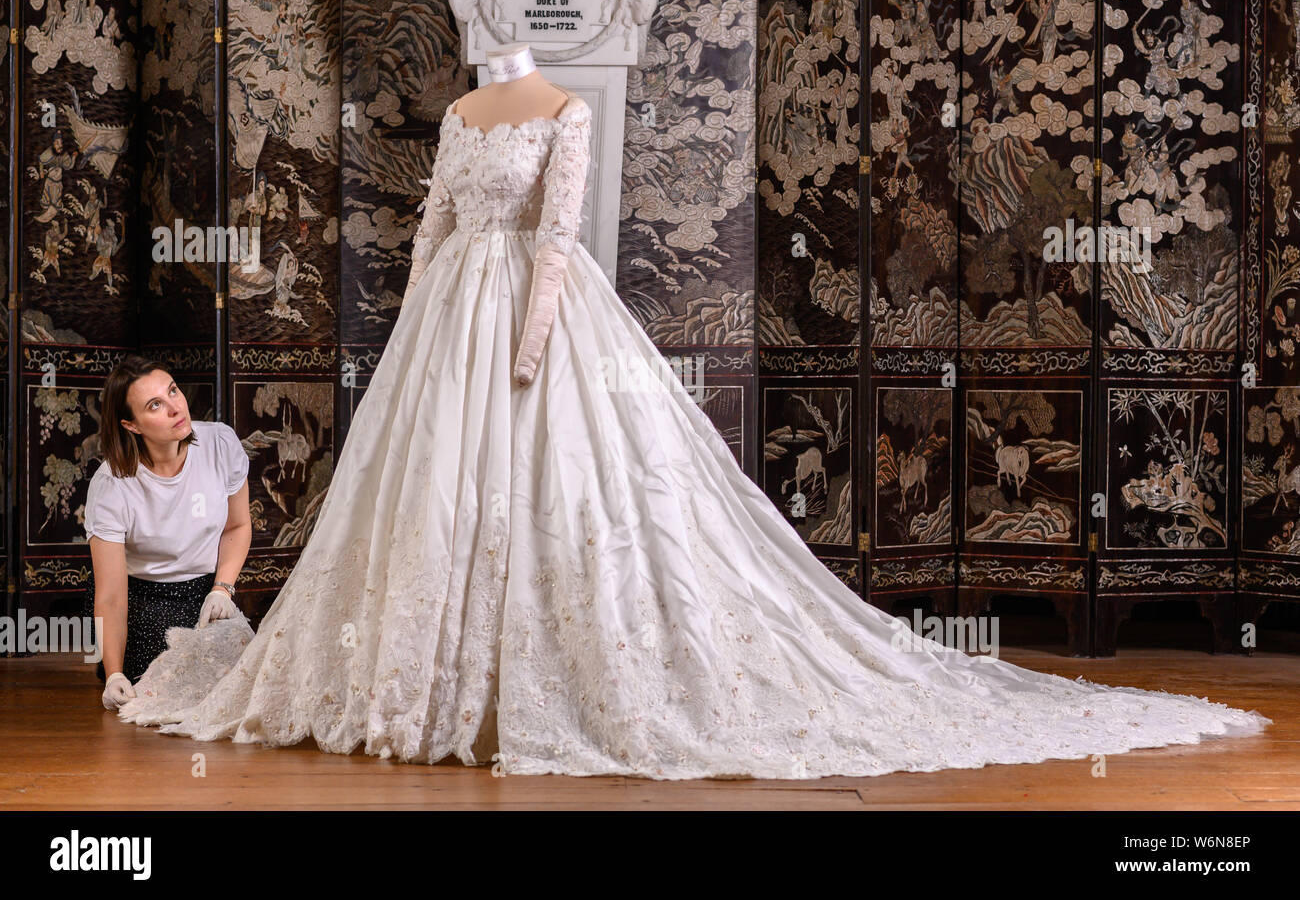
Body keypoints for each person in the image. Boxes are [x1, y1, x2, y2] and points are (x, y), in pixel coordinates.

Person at [118, 54, 1269, 780]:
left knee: (576, 496)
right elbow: (426, 233)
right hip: (445, 329)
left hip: (535, 313)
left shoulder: (563, 107)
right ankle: (408, 687)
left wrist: (527, 344)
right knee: (428, 498)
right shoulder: (464, 112)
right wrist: (419, 331)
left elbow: (561, 235)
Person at [83, 355, 251, 709]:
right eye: (155, 405)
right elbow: (112, 596)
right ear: (131, 425)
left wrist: (223, 589)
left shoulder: (220, 443)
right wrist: (114, 674)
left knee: (240, 675)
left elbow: (237, 525)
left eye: (173, 391)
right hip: (141, 596)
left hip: (209, 587)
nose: (176, 408)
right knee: (167, 684)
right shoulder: (112, 484)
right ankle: (111, 661)